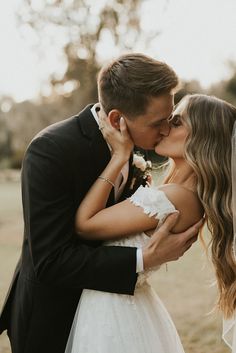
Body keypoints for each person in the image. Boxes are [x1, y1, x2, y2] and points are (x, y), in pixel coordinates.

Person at [0, 54, 202, 353]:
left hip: (112, 318)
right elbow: (51, 261)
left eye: (170, 120)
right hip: (54, 317)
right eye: (158, 122)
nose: (164, 130)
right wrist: (145, 258)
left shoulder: (137, 155)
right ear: (117, 120)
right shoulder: (52, 150)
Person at [65, 94, 236, 353]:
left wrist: (119, 157)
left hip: (114, 311)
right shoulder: (181, 192)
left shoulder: (175, 197)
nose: (165, 128)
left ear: (201, 137)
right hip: (124, 304)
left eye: (176, 122)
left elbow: (85, 224)